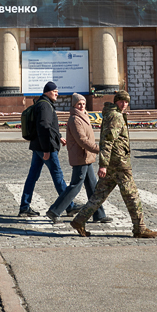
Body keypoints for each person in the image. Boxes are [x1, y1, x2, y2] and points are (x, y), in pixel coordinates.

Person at [70, 89, 157, 239]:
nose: (124, 104)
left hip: (114, 161)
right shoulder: (116, 116)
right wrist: (103, 165)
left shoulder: (112, 114)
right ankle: (140, 228)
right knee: (132, 195)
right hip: (119, 163)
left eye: (126, 102)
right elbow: (108, 141)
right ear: (116, 101)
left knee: (99, 195)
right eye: (121, 101)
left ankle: (79, 220)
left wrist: (105, 163)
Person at [45, 93, 110, 225]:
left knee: (93, 187)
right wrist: (99, 149)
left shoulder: (83, 116)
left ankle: (99, 214)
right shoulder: (75, 119)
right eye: (79, 104)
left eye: (83, 104)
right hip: (80, 156)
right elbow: (82, 140)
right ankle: (54, 211)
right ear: (74, 105)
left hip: (86, 156)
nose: (81, 106)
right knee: (75, 186)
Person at [18, 81, 69, 217]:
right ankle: (69, 206)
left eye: (57, 90)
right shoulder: (45, 106)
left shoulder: (43, 104)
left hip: (38, 146)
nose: (57, 93)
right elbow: (44, 127)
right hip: (46, 147)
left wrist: (59, 137)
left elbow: (50, 128)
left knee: (32, 177)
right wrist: (46, 149)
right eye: (54, 91)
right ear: (47, 92)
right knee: (58, 176)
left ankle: (24, 207)